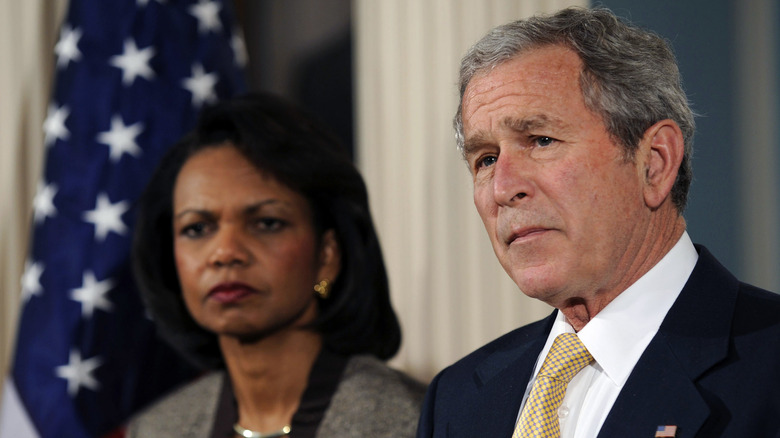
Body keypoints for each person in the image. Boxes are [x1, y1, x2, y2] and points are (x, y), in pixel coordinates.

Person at [417, 6, 780, 438]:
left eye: (541, 140)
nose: (503, 188)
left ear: (654, 164)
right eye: (487, 159)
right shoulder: (456, 398)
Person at [127, 93, 425, 438]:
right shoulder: (154, 430)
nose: (225, 252)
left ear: (326, 256)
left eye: (266, 223)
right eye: (197, 228)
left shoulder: (409, 421)